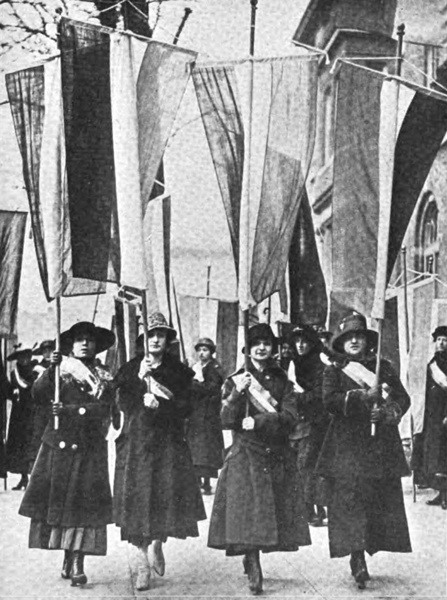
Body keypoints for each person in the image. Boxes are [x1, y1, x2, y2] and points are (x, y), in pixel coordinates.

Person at [208, 323, 311, 596]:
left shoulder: (282, 381)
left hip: (275, 453)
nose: (262, 348)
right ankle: (252, 561)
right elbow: (223, 420)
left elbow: (290, 417)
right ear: (248, 349)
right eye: (256, 343)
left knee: (269, 512)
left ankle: (253, 555)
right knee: (248, 512)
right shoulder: (236, 379)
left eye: (267, 343)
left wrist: (260, 420)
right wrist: (235, 394)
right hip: (245, 452)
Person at [113, 312, 206, 592]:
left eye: (161, 335)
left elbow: (187, 408)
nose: (155, 340)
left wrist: (161, 405)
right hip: (138, 444)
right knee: (138, 501)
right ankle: (141, 562)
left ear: (167, 340)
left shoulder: (178, 371)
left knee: (163, 499)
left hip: (168, 444)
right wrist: (137, 381)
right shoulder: (131, 368)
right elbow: (123, 405)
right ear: (143, 339)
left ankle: (157, 543)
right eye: (151, 335)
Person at [317, 312, 411, 589]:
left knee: (374, 501)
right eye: (349, 337)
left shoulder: (383, 367)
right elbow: (329, 401)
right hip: (346, 446)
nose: (355, 341)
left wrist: (386, 412)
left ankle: (366, 548)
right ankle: (356, 557)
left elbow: (403, 398)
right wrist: (360, 397)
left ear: (367, 341)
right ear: (341, 343)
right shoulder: (335, 370)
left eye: (359, 336)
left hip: (378, 446)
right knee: (350, 501)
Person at [18, 322, 115, 586]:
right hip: (59, 447)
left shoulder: (104, 376)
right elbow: (37, 395)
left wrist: (69, 410)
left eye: (89, 340)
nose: (84, 344)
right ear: (70, 345)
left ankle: (77, 562)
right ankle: (67, 556)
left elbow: (104, 409)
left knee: (84, 508)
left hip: (89, 449)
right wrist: (52, 369)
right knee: (63, 506)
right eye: (79, 340)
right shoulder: (61, 370)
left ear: (96, 346)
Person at [289, 325, 330, 527]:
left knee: (308, 466)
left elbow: (319, 394)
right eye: (297, 341)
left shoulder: (319, 366)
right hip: (296, 423)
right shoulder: (292, 364)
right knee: (301, 467)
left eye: (304, 341)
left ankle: (313, 509)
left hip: (314, 423)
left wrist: (298, 398)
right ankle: (310, 507)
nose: (300, 345)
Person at [187, 337, 224, 495]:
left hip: (209, 414)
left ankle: (207, 483)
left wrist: (196, 383)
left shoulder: (214, 368)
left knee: (207, 449)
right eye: (199, 350)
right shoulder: (195, 367)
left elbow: (213, 389)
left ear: (211, 352)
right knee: (195, 448)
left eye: (205, 350)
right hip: (195, 413)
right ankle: (197, 481)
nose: (202, 353)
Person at [5, 346, 39, 490]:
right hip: (19, 414)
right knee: (19, 444)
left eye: (26, 357)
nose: (24, 360)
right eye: (21, 357)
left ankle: (34, 479)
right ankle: (23, 478)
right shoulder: (14, 374)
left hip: (32, 411)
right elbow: (10, 392)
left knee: (32, 443)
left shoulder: (35, 371)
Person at [422, 326, 447, 508]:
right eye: (438, 340)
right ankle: (441, 492)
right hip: (434, 416)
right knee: (436, 455)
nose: (441, 343)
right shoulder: (432, 364)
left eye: (445, 340)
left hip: (446, 416)